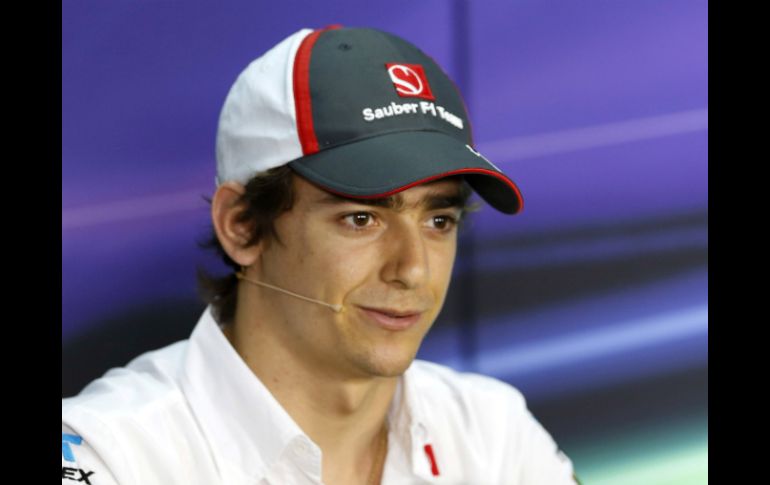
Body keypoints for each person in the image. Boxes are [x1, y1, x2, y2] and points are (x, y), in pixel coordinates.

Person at [62, 26, 581, 485]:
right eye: (362, 219)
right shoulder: (110, 455)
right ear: (242, 226)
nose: (413, 269)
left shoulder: (494, 435)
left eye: (438, 220)